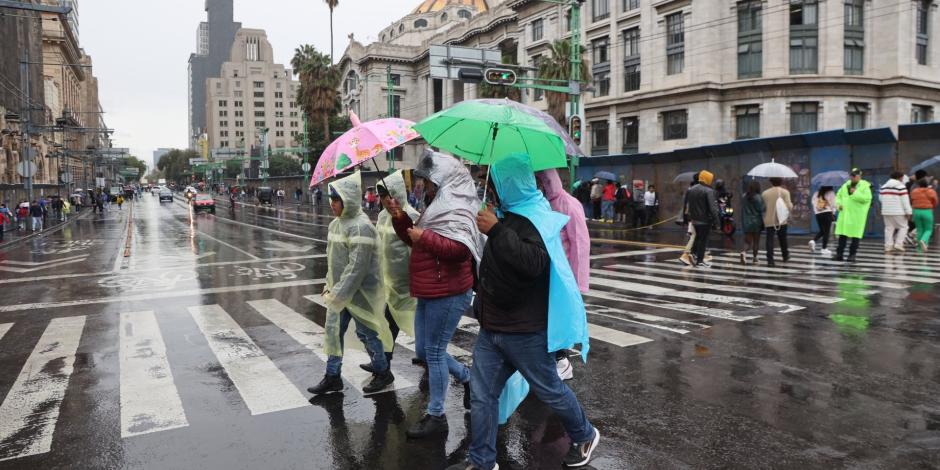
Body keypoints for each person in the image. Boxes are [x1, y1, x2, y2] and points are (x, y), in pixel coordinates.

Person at [450, 153, 599, 470]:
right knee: (481, 395)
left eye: (494, 183)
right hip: (493, 328)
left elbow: (533, 264)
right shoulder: (504, 214)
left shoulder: (537, 217)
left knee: (551, 390)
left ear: (510, 183)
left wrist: (497, 231)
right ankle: (482, 461)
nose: (488, 188)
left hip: (525, 330)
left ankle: (584, 434)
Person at [390, 151, 482, 439]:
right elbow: (415, 240)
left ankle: (437, 416)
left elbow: (460, 251)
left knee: (434, 352)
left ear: (441, 181)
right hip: (430, 287)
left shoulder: (457, 208)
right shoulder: (436, 206)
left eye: (427, 181)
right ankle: (467, 378)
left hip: (450, 291)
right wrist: (400, 218)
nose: (423, 186)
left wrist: (423, 237)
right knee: (424, 351)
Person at [307, 171, 395, 396]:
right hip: (339, 293)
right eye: (332, 199)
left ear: (349, 199)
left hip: (359, 293)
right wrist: (329, 285)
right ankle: (332, 376)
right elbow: (333, 260)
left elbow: (357, 268)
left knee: (367, 333)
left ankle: (383, 371)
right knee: (333, 332)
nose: (333, 204)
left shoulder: (361, 226)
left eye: (336, 199)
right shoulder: (336, 225)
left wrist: (338, 293)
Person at [536, 169, 590, 381]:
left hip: (563, 274)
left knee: (559, 318)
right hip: (546, 272)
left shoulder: (569, 204)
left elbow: (580, 245)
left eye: (541, 180)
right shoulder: (542, 203)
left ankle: (562, 360)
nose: (539, 184)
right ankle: (554, 359)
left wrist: (577, 283)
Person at [370, 171, 419, 372]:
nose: (385, 200)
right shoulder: (382, 216)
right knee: (389, 324)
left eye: (388, 195)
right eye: (381, 197)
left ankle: (383, 366)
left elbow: (416, 251)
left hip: (408, 285)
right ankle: (383, 364)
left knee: (410, 325)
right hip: (388, 282)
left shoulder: (412, 217)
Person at [833, 168, 872, 262]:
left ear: (859, 176)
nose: (853, 177)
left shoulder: (865, 186)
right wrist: (839, 205)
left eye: (855, 175)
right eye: (852, 175)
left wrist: (855, 192)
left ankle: (852, 255)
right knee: (842, 235)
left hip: (857, 215)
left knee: (855, 236)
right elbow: (838, 197)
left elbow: (867, 199)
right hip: (845, 214)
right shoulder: (845, 186)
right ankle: (839, 254)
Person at [686, 171, 719, 268]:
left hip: (694, 219)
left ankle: (693, 254)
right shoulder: (708, 191)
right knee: (703, 240)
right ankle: (699, 261)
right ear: (707, 179)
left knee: (698, 238)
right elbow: (713, 208)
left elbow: (689, 205)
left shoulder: (691, 189)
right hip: (705, 220)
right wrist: (717, 222)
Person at [762, 177, 793, 267]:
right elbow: (789, 206)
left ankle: (770, 260)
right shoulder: (785, 192)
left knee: (769, 239)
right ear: (781, 182)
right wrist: (791, 205)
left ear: (771, 182)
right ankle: (785, 255)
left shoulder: (765, 193)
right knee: (783, 238)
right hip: (781, 219)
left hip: (769, 219)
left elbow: (763, 207)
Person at [880, 171, 913, 253]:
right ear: (900, 177)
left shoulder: (883, 187)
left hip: (886, 211)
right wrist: (908, 212)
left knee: (889, 228)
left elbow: (880, 199)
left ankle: (888, 246)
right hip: (898, 211)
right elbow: (905, 200)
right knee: (904, 227)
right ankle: (898, 244)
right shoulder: (901, 186)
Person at [740, 181, 765, 265]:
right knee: (756, 241)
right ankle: (755, 258)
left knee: (747, 241)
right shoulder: (758, 197)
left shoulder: (744, 196)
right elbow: (761, 209)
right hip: (756, 222)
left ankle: (744, 252)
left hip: (746, 221)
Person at [911, 178, 938, 252]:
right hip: (927, 211)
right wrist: (932, 207)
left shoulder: (914, 191)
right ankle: (923, 240)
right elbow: (935, 201)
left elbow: (912, 200)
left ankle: (920, 249)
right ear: (927, 184)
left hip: (916, 211)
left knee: (920, 230)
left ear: (919, 184)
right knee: (928, 229)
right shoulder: (931, 191)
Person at [678, 174, 699, 267]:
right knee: (694, 236)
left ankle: (694, 254)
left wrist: (685, 216)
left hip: (691, 216)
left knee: (695, 236)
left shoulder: (690, 189)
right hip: (695, 216)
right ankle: (686, 254)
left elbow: (686, 204)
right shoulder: (696, 190)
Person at [809, 186, 836, 256]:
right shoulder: (831, 193)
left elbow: (813, 203)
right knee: (826, 232)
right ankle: (824, 248)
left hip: (818, 214)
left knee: (822, 231)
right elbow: (833, 204)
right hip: (827, 213)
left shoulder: (816, 193)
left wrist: (817, 211)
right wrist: (833, 213)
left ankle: (813, 241)